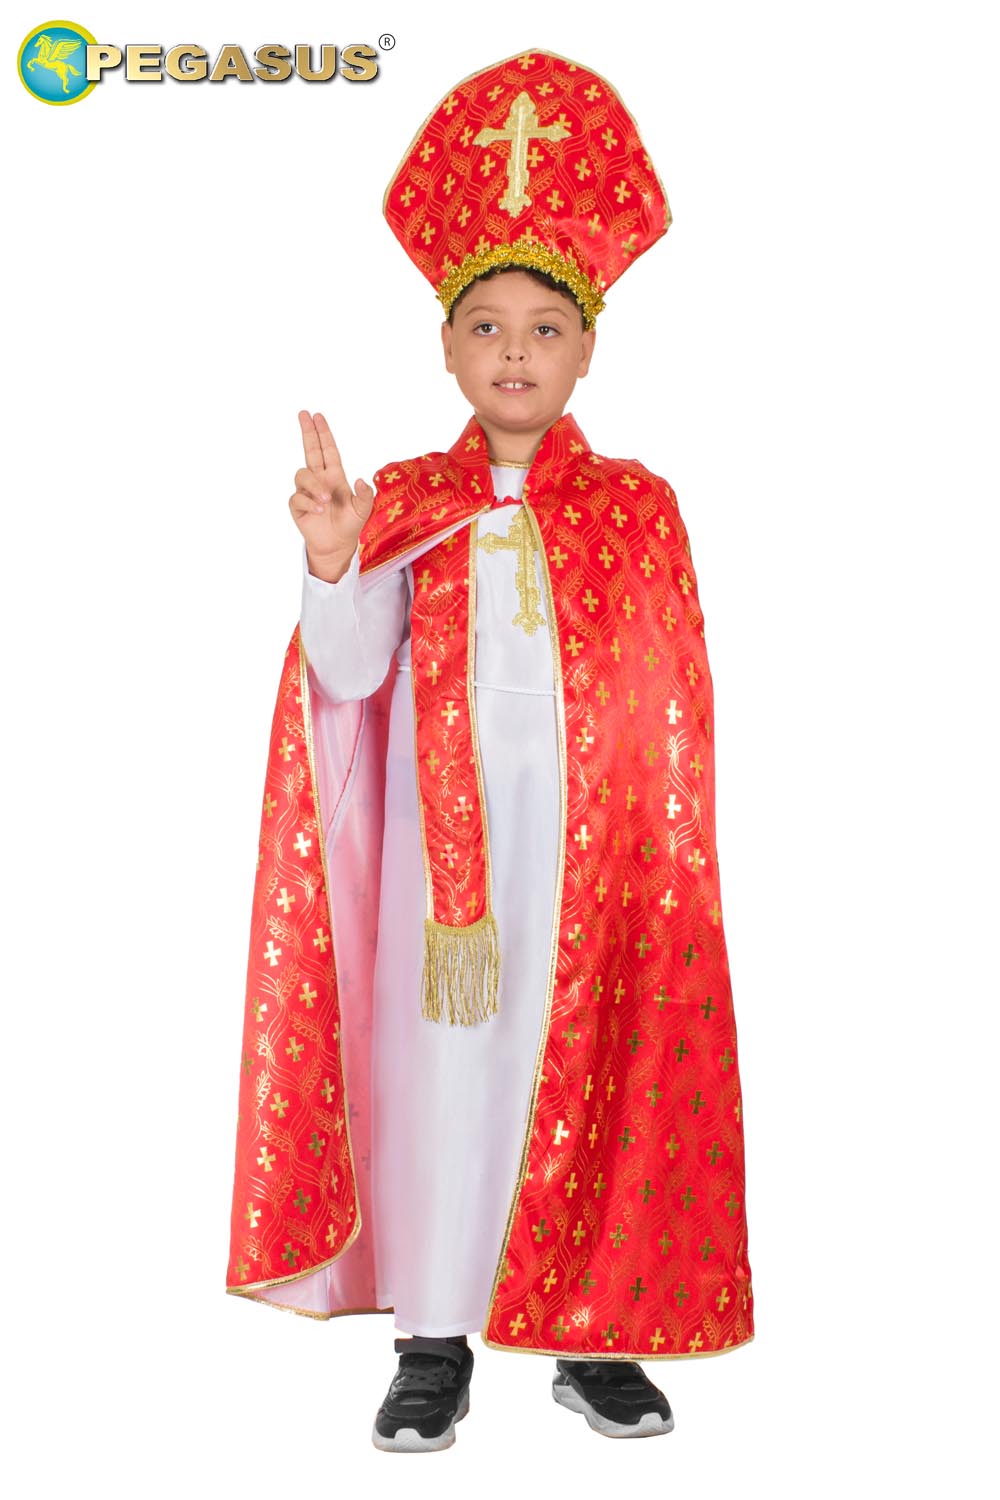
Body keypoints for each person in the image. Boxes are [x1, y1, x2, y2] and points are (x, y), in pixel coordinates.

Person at [225, 49, 754, 1453]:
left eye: (545, 327)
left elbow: (667, 716)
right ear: (448, 350)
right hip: (440, 879)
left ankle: (596, 1336)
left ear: (586, 352)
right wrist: (334, 560)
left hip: (593, 866)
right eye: (486, 327)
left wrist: (648, 867)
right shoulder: (405, 500)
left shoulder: (639, 508)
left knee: (594, 1067)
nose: (515, 351)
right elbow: (348, 676)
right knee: (451, 1086)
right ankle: (433, 1340)